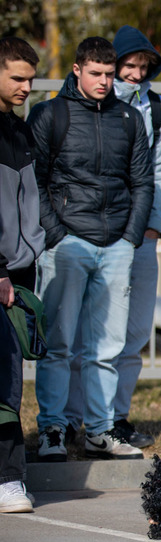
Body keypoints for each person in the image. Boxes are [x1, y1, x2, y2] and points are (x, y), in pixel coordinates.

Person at [28, 36, 153, 461]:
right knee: (59, 345)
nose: (103, 82)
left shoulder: (130, 118)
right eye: (95, 73)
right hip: (67, 243)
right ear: (77, 69)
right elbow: (36, 183)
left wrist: (130, 238)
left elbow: (142, 182)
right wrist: (56, 235)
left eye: (108, 74)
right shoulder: (49, 114)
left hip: (116, 244)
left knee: (107, 347)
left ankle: (100, 430)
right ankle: (52, 431)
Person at [63, 25, 161, 451]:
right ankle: (73, 419)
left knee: (132, 333)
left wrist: (153, 225)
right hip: (91, 234)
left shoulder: (156, 109)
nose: (134, 74)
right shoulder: (85, 106)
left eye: (142, 67)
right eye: (127, 65)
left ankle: (116, 417)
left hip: (140, 236)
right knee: (83, 335)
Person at [0, 37, 44, 512]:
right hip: (2, 275)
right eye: (16, 77)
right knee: (4, 379)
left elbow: (31, 199)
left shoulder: (20, 129)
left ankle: (7, 477)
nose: (26, 86)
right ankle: (8, 480)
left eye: (30, 79)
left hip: (20, 272)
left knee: (9, 379)